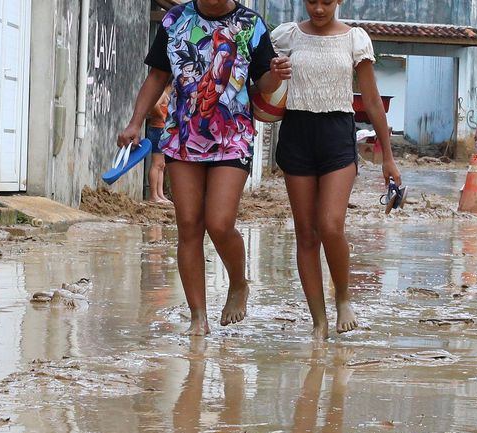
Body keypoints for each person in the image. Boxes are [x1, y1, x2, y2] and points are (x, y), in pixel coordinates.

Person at [120, 0, 286, 336]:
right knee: (189, 225)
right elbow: (157, 76)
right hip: (182, 136)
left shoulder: (251, 24)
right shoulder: (175, 20)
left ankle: (238, 284)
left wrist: (275, 74)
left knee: (220, 223)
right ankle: (199, 317)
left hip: (233, 136)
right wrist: (136, 121)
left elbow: (263, 85)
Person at [270, 0, 400, 339]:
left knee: (330, 225)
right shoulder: (286, 37)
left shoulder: (355, 39)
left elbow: (371, 101)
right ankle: (318, 321)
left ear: (339, 1)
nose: (318, 8)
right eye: (312, 1)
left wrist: (388, 156)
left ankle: (343, 297)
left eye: (326, 1)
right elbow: (264, 85)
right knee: (306, 234)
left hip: (337, 134)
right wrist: (271, 74)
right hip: (296, 133)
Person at [146, 87, 173, 205]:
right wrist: (163, 117)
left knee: (162, 165)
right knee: (156, 164)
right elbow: (154, 105)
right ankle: (153, 195)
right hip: (158, 129)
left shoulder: (166, 94)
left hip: (162, 129)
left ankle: (159, 194)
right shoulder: (161, 93)